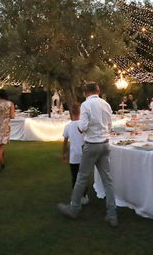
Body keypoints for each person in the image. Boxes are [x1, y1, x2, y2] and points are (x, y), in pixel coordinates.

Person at [57, 82, 118, 228]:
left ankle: (74, 208)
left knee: (81, 178)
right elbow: (110, 126)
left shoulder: (85, 105)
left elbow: (82, 127)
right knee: (107, 180)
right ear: (98, 90)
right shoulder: (106, 104)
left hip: (91, 145)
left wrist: (79, 127)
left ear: (86, 93)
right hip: (105, 144)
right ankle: (112, 214)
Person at [62, 102, 88, 205]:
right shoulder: (84, 125)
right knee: (83, 176)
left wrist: (64, 154)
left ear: (71, 113)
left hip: (73, 156)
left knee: (75, 177)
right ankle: (84, 196)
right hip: (84, 154)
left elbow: (65, 142)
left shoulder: (68, 126)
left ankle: (76, 197)